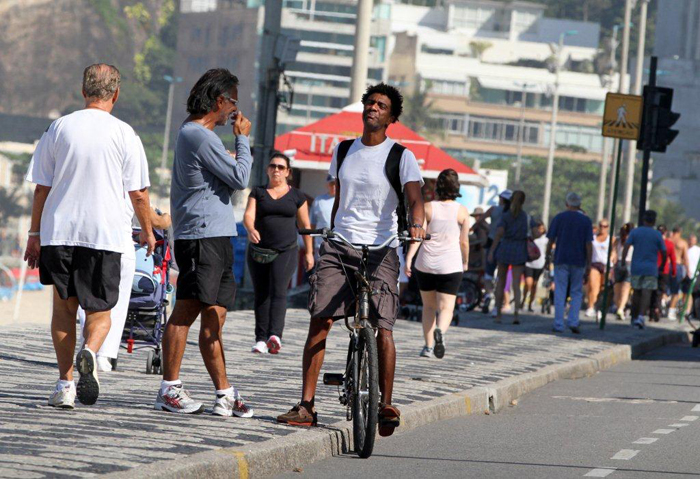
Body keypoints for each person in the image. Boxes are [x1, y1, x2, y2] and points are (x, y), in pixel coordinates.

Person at [277, 83, 425, 436]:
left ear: (392, 117)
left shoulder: (401, 156)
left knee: (383, 327)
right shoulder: (343, 150)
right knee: (320, 319)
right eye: (370, 102)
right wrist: (331, 231)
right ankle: (306, 406)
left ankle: (385, 403)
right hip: (341, 244)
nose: (373, 108)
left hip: (382, 248)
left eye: (381, 105)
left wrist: (417, 225)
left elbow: (415, 199)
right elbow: (341, 198)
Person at [24, 63, 154, 409]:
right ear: (116, 94)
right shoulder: (126, 134)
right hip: (105, 235)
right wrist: (149, 232)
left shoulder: (59, 128)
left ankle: (65, 384)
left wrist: (34, 234)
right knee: (101, 312)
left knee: (64, 311)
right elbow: (138, 194)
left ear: (83, 92)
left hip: (60, 232)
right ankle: (92, 351)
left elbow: (42, 188)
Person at [156, 68, 254, 417]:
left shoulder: (204, 138)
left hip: (218, 234)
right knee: (186, 310)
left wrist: (230, 162)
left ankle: (224, 392)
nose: (235, 112)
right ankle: (169, 388)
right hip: (201, 236)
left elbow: (227, 181)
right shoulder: (199, 135)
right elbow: (241, 178)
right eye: (233, 102)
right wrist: (242, 140)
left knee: (215, 316)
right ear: (219, 100)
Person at [77, 206, 171, 372]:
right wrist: (159, 222)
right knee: (116, 304)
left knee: (87, 300)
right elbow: (139, 197)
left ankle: (88, 347)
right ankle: (102, 353)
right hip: (119, 242)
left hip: (86, 236)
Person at [244, 152, 314, 354]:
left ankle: (275, 335)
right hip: (258, 251)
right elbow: (249, 215)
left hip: (285, 251)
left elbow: (305, 225)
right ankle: (260, 339)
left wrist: (309, 253)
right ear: (267, 169)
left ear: (288, 172)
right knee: (261, 294)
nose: (276, 170)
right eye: (273, 166)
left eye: (281, 167)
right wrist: (251, 229)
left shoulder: (297, 196)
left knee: (278, 291)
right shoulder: (258, 192)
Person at [404, 169, 470, 359]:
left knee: (428, 307)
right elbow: (464, 242)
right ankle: (440, 330)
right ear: (456, 187)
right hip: (450, 265)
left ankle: (428, 347)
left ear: (437, 186)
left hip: (426, 264)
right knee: (447, 307)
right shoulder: (462, 211)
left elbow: (418, 236)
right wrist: (465, 261)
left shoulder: (428, 207)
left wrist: (409, 258)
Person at [545, 192, 593, 334]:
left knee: (560, 291)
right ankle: (573, 321)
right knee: (576, 291)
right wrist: (589, 263)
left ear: (567, 204)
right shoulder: (586, 221)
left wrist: (548, 257)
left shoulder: (559, 218)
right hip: (578, 260)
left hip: (561, 258)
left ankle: (559, 324)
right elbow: (588, 244)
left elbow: (551, 240)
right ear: (579, 205)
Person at [488, 190, 534, 324]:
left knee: (500, 282)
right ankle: (516, 314)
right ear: (523, 201)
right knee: (516, 283)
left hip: (505, 247)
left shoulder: (506, 215)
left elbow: (499, 233)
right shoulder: (526, 216)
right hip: (520, 249)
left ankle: (498, 314)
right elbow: (535, 232)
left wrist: (492, 250)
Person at [621, 210, 667, 329]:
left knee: (636, 291)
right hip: (651, 268)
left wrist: (622, 260)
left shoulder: (635, 232)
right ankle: (641, 316)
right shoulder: (657, 235)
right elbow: (664, 252)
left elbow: (626, 246)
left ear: (643, 219)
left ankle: (634, 315)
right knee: (647, 292)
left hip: (637, 267)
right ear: (654, 221)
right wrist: (661, 265)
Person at [477, 190, 512, 313]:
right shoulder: (512, 213)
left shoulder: (493, 209)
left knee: (488, 273)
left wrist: (488, 228)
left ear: (501, 198)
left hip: (492, 243)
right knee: (501, 277)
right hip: (506, 246)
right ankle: (497, 306)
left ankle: (488, 295)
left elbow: (480, 221)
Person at [650, 225, 677, 322]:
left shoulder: (653, 243)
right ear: (665, 233)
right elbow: (673, 259)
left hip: (653, 269)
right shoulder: (669, 244)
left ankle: (652, 309)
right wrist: (674, 271)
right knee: (660, 291)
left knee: (652, 290)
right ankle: (656, 308)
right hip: (663, 271)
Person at [585, 219, 611, 318]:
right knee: (593, 286)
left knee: (603, 288)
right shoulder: (593, 238)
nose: (602, 228)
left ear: (608, 227)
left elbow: (614, 251)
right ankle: (590, 307)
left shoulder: (610, 239)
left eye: (605, 226)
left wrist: (612, 258)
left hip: (606, 265)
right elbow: (589, 251)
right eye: (601, 226)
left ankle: (600, 307)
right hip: (594, 263)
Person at [521, 220, 548, 313]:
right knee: (528, 283)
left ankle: (530, 303)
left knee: (534, 285)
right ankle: (523, 299)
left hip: (540, 264)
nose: (539, 231)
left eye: (541, 229)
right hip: (528, 263)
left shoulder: (545, 239)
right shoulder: (528, 238)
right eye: (538, 228)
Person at [309, 175, 336, 257]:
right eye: (332, 184)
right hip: (320, 246)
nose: (334, 186)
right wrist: (310, 250)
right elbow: (312, 226)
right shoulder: (319, 200)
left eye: (336, 184)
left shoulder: (344, 201)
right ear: (327, 185)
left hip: (339, 245)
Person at [613, 223, 634, 320]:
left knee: (617, 288)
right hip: (629, 263)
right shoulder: (633, 240)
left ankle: (619, 307)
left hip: (619, 263)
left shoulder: (618, 240)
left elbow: (613, 253)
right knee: (625, 288)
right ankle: (620, 308)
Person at [668, 226, 689, 320]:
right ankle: (671, 311)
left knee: (664, 288)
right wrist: (688, 270)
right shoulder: (682, 243)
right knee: (675, 290)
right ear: (680, 232)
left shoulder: (668, 241)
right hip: (677, 265)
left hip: (666, 265)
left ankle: (662, 305)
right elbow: (685, 257)